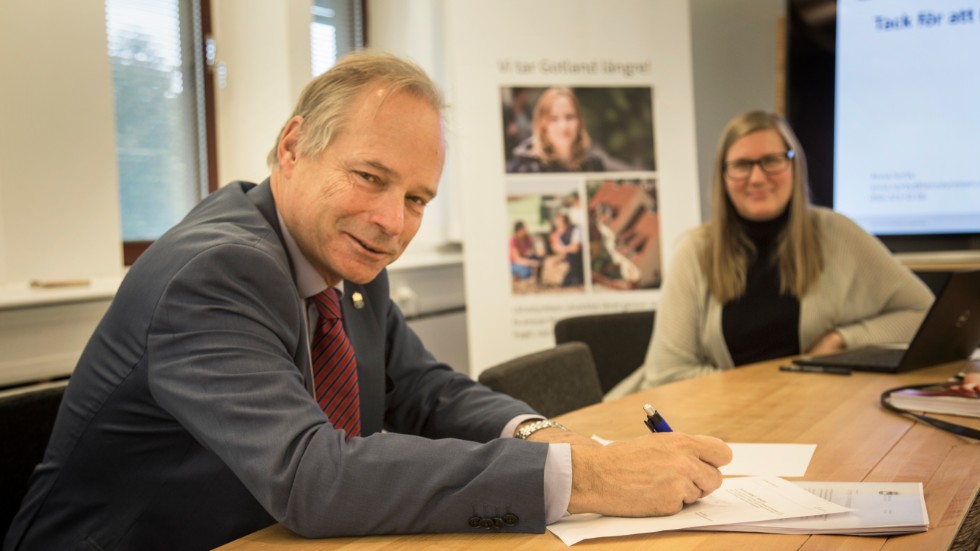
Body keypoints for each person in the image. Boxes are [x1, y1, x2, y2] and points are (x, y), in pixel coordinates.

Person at [4, 52, 731, 550]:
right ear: (293, 147)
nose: (393, 221)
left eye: (417, 198)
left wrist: (539, 437)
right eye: (370, 176)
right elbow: (312, 476)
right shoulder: (216, 271)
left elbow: (420, 388)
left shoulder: (344, 255)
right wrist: (586, 478)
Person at [608, 110, 933, 399]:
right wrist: (769, 390)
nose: (758, 177)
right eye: (741, 165)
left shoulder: (836, 232)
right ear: (723, 176)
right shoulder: (694, 251)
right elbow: (667, 374)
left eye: (772, 161)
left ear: (794, 165)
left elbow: (923, 314)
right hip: (718, 417)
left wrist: (841, 339)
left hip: (811, 411)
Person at [507, 87, 605, 173]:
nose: (563, 126)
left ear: (580, 121)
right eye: (553, 119)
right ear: (542, 125)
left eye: (569, 117)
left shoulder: (593, 165)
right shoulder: (525, 165)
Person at [549, 212, 584, 287]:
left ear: (567, 224)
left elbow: (575, 248)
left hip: (579, 259)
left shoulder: (576, 230)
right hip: (567, 257)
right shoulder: (559, 234)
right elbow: (555, 247)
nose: (558, 228)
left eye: (560, 225)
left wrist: (563, 249)